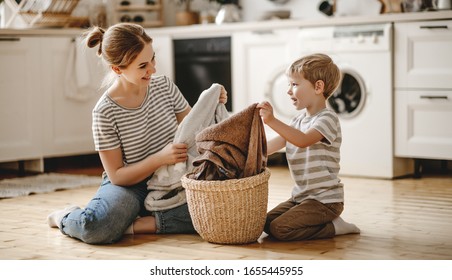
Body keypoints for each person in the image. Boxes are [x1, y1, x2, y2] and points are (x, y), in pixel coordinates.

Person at [46, 23, 227, 244]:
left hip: (173, 179)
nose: (152, 69)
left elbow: (197, 130)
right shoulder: (104, 112)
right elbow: (117, 176)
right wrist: (159, 159)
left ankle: (137, 225)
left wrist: (212, 103)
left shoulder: (165, 87)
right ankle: (66, 217)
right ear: (117, 69)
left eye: (153, 59)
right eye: (143, 66)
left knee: (219, 212)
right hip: (129, 186)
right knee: (96, 228)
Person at [257, 53, 360, 241]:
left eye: (294, 85)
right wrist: (252, 151)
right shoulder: (298, 120)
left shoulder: (327, 119)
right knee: (264, 224)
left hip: (326, 201)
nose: (289, 91)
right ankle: (323, 222)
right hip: (302, 197)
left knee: (281, 229)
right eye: (289, 84)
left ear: (318, 87)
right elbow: (276, 143)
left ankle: (335, 227)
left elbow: (303, 140)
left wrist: (271, 120)